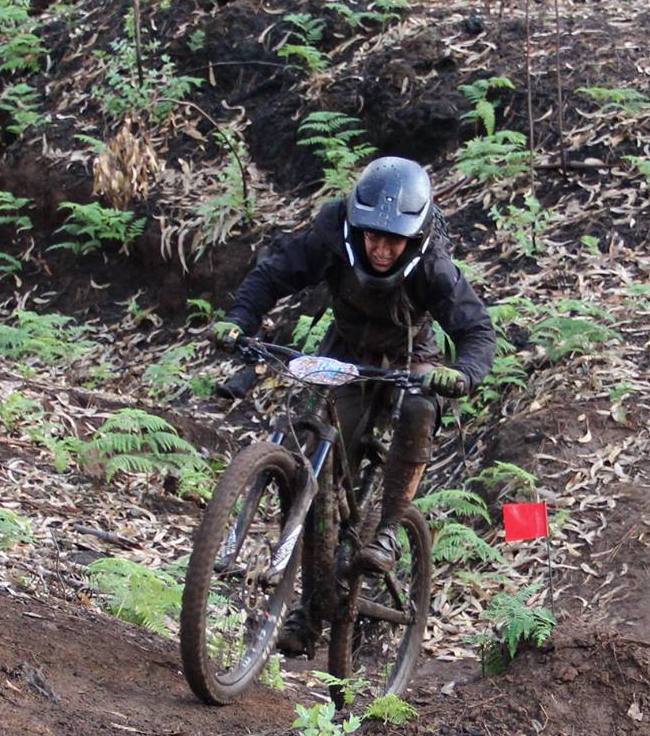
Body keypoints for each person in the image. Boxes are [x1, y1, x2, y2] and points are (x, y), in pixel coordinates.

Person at [210, 156, 496, 656]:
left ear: (414, 236)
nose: (381, 250)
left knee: (419, 409)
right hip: (345, 350)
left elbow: (477, 331)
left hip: (410, 356)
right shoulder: (331, 231)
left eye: (393, 241)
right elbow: (274, 274)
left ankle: (387, 529)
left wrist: (463, 374)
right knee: (310, 463)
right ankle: (308, 604)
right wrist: (240, 320)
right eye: (372, 237)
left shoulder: (433, 266)